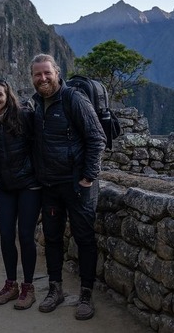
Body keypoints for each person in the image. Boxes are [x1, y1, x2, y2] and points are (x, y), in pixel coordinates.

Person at [29, 54, 106, 320]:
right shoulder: (36, 104)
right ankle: (55, 289)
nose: (42, 78)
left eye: (47, 73)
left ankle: (85, 294)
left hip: (77, 184)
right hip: (50, 185)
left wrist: (88, 177)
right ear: (32, 78)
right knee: (52, 238)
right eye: (37, 74)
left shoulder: (74, 99)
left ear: (57, 73)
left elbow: (97, 138)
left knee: (84, 238)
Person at [0, 78, 42, 310]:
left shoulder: (23, 116)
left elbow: (39, 144)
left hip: (29, 186)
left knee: (25, 236)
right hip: (6, 187)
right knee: (6, 236)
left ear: (7, 96)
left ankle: (28, 287)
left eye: (0, 95)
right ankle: (11, 284)